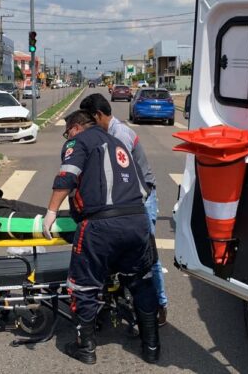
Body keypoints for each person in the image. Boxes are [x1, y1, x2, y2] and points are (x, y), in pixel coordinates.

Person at [43, 110, 160, 364]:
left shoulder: (78, 141)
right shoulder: (119, 143)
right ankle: (152, 347)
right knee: (141, 281)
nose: (67, 137)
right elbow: (143, 187)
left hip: (100, 225)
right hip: (137, 221)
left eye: (67, 133)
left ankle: (85, 347)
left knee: (83, 285)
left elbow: (67, 176)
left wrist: (51, 212)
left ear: (75, 127)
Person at [80, 93, 170, 326]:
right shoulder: (110, 133)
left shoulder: (119, 135)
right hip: (130, 200)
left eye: (89, 121)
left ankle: (159, 306)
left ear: (98, 116)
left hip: (141, 200)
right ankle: (124, 297)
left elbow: (124, 176)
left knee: (148, 256)